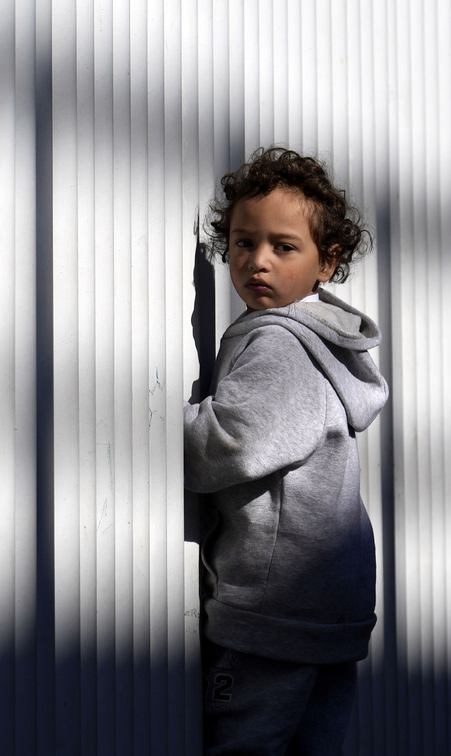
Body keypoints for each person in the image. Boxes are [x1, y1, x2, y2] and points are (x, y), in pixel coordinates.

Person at [184, 147, 389, 754]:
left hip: (273, 613)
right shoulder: (328, 343)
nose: (258, 261)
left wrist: (162, 428)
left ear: (328, 261)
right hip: (329, 607)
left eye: (284, 246)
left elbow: (234, 442)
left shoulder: (281, 343)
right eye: (243, 243)